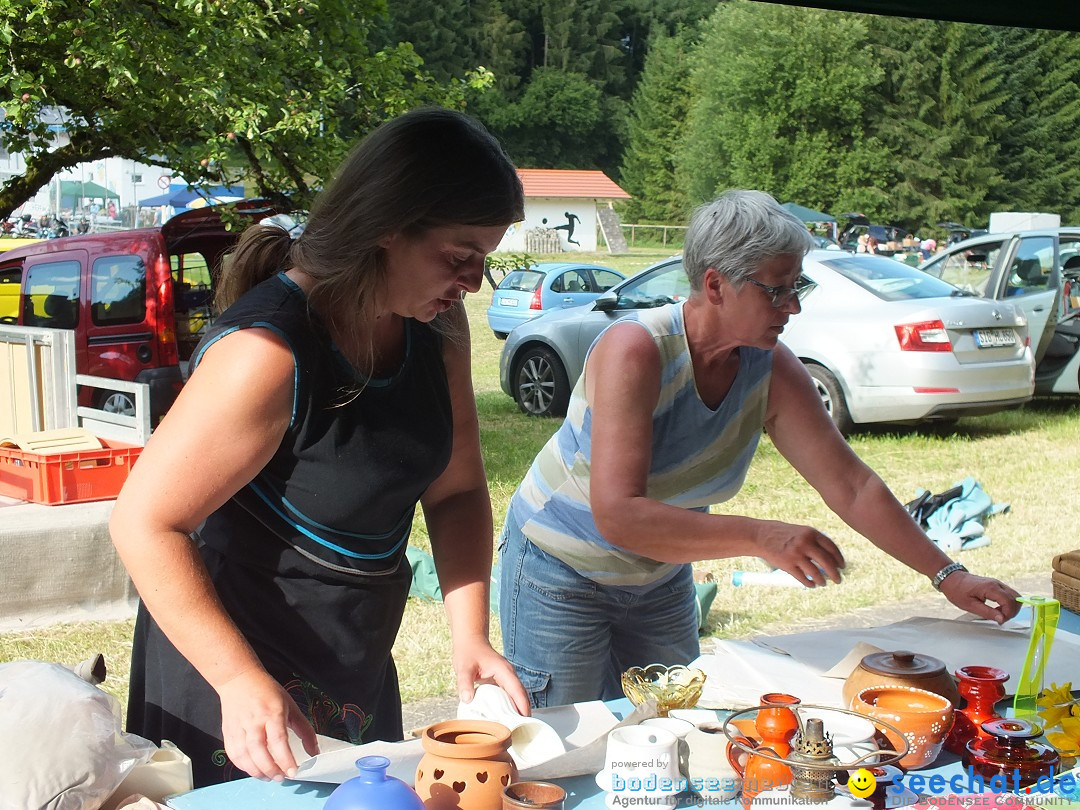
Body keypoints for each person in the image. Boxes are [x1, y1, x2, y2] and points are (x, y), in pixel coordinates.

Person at [110, 107, 529, 786]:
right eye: (460, 257)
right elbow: (145, 523)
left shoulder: (438, 330)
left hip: (354, 662)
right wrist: (239, 678)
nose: (473, 285)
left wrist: (470, 634)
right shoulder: (267, 353)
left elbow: (455, 492)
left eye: (484, 261)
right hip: (229, 678)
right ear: (386, 227)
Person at [498, 190, 1021, 709]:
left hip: (657, 579)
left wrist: (949, 575)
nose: (792, 306)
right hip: (561, 570)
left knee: (670, 728)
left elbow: (852, 485)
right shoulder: (635, 350)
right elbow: (620, 516)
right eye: (776, 290)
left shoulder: (769, 367)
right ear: (715, 285)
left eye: (798, 287)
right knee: (565, 747)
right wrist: (761, 536)